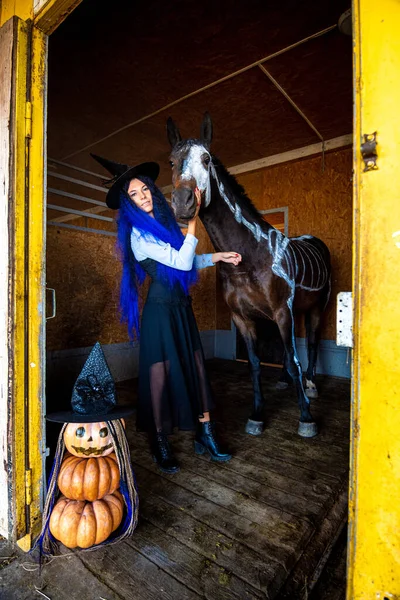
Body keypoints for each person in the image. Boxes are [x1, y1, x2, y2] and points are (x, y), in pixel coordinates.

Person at [91, 154, 242, 473]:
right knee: (159, 379)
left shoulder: (163, 225)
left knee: (196, 369)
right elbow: (182, 262)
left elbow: (180, 266)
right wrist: (193, 218)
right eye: (133, 194)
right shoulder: (138, 236)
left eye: (144, 189)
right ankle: (160, 443)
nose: (142, 196)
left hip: (181, 309)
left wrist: (216, 256)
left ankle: (206, 434)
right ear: (128, 204)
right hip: (160, 314)